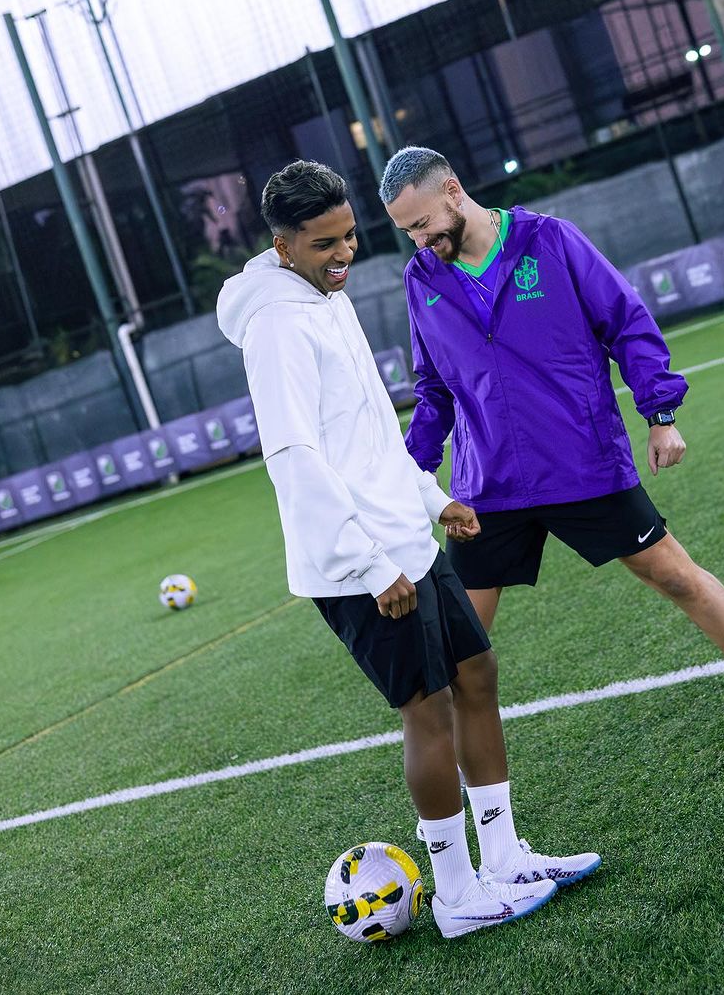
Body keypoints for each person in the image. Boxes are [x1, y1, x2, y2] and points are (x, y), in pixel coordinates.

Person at [216, 160, 599, 940]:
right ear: (282, 244)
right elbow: (294, 455)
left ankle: (503, 856)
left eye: (351, 233)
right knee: (425, 711)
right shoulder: (277, 323)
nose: (344, 252)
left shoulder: (328, 295)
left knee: (477, 671)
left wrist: (432, 499)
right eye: (325, 242)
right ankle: (456, 893)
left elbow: (364, 429)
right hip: (360, 565)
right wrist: (368, 564)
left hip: (404, 537)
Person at [379, 147, 724, 757]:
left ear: (452, 191)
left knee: (677, 579)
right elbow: (434, 390)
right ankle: (456, 808)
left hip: (581, 462)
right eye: (407, 233)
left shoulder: (549, 241)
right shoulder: (422, 277)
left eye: (421, 225)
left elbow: (625, 321)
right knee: (458, 646)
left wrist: (659, 414)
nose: (419, 241)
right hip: (489, 486)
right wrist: (408, 471)